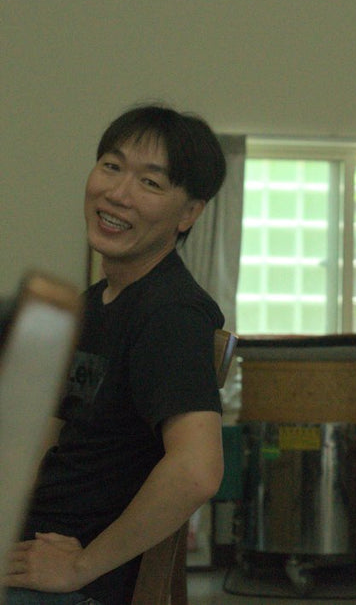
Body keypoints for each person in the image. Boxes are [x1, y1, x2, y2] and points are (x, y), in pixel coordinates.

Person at [5, 104, 227, 605]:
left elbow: (197, 468)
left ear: (189, 212)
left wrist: (80, 566)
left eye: (150, 183)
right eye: (111, 166)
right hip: (27, 540)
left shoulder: (171, 311)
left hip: (70, 579)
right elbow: (58, 435)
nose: (117, 193)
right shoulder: (96, 304)